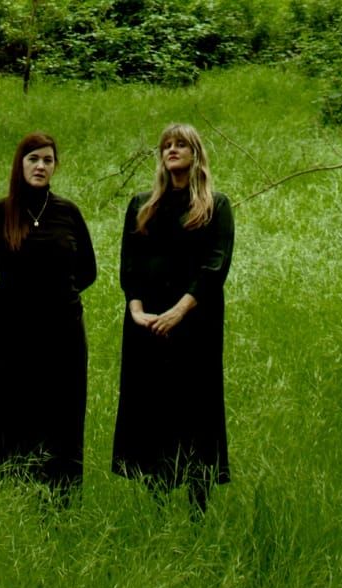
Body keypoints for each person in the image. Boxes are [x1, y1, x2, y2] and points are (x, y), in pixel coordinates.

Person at [0, 131, 97, 493]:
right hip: (10, 333)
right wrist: (11, 299)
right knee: (6, 409)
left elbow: (88, 272)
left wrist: (56, 300)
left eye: (48, 160)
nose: (40, 166)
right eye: (33, 159)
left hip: (63, 332)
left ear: (55, 167)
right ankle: (1, 492)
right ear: (20, 164)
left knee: (61, 412)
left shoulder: (68, 212)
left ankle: (59, 497)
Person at [112, 123, 234, 515]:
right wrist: (137, 310)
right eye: (166, 145)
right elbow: (129, 262)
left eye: (180, 144)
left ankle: (199, 504)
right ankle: (158, 500)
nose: (172, 150)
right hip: (147, 325)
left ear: (196, 153)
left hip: (195, 324)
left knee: (195, 407)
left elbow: (216, 265)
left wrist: (181, 310)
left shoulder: (216, 205)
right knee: (152, 407)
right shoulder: (142, 204)